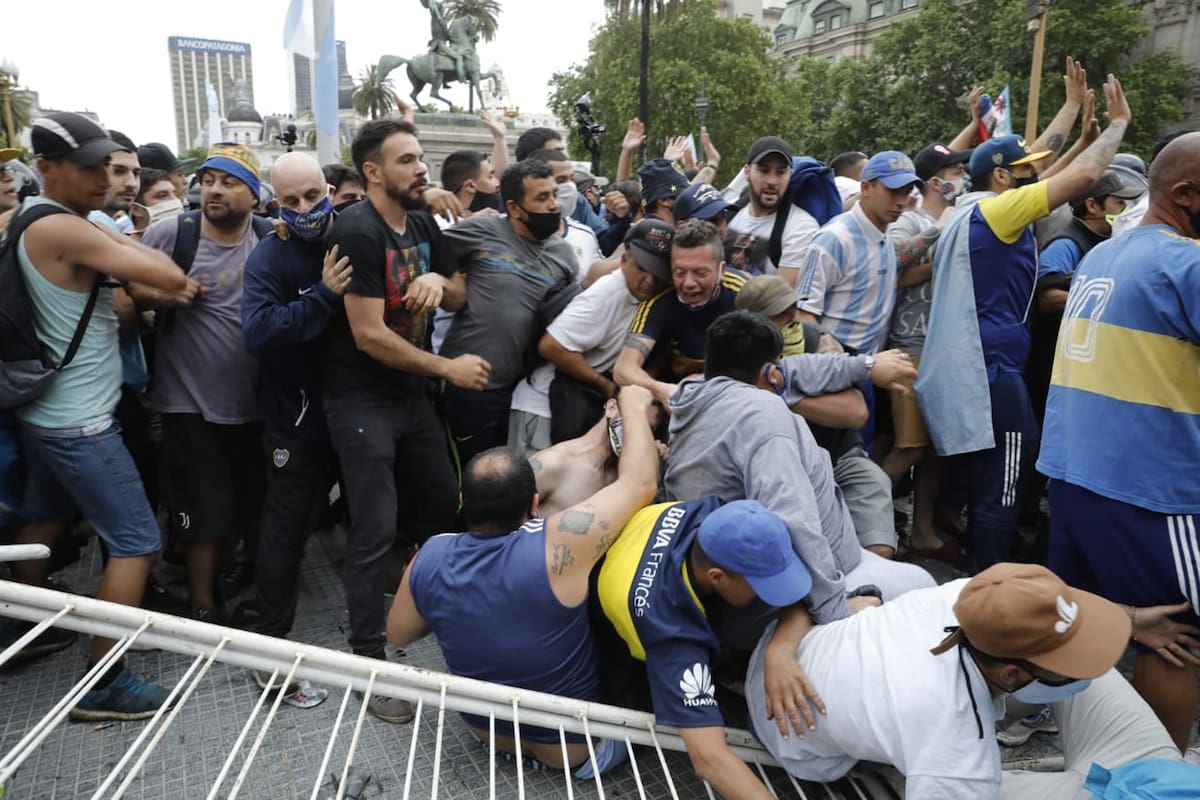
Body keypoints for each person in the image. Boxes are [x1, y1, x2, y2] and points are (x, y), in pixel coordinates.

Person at [6, 112, 188, 719]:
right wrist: (125, 240)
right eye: (86, 166)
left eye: (103, 163)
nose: (101, 176)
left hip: (43, 412)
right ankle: (103, 680)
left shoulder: (35, 219)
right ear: (46, 168)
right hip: (80, 423)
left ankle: (21, 626)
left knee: (43, 521)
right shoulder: (63, 227)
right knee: (135, 542)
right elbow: (169, 275)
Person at [916, 74, 1133, 574]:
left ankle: (979, 575)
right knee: (1005, 484)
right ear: (1001, 179)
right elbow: (1077, 180)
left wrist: (1075, 111)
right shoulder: (1001, 213)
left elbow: (1039, 158)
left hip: (976, 370)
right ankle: (993, 585)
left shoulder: (972, 208)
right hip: (993, 370)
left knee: (989, 480)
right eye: (1025, 172)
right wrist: (1116, 126)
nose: (1037, 175)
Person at [386, 386, 659, 778]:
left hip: (486, 737)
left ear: (463, 499)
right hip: (579, 756)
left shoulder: (430, 555)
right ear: (534, 506)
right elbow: (640, 484)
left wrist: (462, 603)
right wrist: (632, 403)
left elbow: (398, 634)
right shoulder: (560, 543)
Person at [746, 562, 1187, 798]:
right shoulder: (958, 760)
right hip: (801, 746)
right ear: (1012, 674)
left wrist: (1125, 621)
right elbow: (952, 764)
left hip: (787, 653)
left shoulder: (976, 595)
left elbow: (1052, 607)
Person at [1037, 131, 1200, 752]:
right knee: (1178, 637)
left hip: (1076, 475)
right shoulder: (1185, 264)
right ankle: (1160, 783)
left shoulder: (1106, 252)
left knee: (1088, 638)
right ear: (1185, 195)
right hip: (1150, 488)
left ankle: (1097, 768)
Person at [321, 119, 487, 722]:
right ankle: (370, 663)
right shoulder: (358, 232)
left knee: (445, 504)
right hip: (361, 401)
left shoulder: (419, 223)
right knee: (373, 529)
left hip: (412, 398)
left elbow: (462, 290)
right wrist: (447, 368)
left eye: (421, 158)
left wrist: (440, 278)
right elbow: (368, 337)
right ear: (372, 172)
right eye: (408, 160)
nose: (422, 169)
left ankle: (429, 607)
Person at [667, 311, 935, 632]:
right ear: (770, 371)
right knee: (923, 587)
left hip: (726, 571)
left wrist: (864, 366)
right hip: (780, 589)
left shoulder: (697, 390)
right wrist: (837, 613)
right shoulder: (763, 415)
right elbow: (793, 517)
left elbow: (798, 370)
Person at [594, 497, 815, 799]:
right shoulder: (674, 635)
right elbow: (710, 760)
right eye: (762, 585)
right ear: (717, 578)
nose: (772, 594)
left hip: (632, 556)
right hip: (616, 648)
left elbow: (805, 597)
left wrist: (781, 649)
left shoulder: (716, 514)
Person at [137, 141, 270, 621]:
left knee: (247, 501)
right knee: (198, 511)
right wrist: (166, 295)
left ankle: (239, 573)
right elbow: (131, 289)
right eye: (209, 180)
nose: (215, 190)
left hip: (256, 403)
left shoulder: (270, 236)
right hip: (188, 402)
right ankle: (202, 604)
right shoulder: (174, 232)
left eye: (230, 182)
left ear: (255, 195)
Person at [242, 152, 351, 682]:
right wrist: (323, 297)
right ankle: (272, 636)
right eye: (290, 202)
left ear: (329, 188)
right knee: (285, 522)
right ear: (275, 204)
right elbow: (259, 332)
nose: (305, 209)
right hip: (295, 416)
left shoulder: (356, 232)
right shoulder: (269, 256)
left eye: (312, 196)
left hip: (357, 408)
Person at [736, 275, 907, 557]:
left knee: (874, 488)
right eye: (780, 313)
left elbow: (855, 412)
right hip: (776, 465)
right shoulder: (736, 354)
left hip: (838, 454)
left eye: (793, 307)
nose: (793, 317)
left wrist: (782, 395)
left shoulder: (820, 340)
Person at [439, 159, 578, 464]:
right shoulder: (482, 230)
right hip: (468, 386)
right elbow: (430, 252)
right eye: (542, 198)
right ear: (515, 208)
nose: (554, 205)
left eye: (554, 194)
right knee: (469, 476)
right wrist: (450, 278)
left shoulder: (565, 257)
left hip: (522, 393)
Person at [877, 142, 972, 557]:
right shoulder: (908, 220)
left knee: (934, 449)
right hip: (908, 346)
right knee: (909, 446)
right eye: (957, 173)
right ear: (937, 183)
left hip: (944, 348)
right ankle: (859, 525)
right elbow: (894, 261)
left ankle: (922, 531)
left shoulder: (963, 219)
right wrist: (938, 232)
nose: (964, 179)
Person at [538, 218, 673, 442]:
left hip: (591, 399)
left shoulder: (654, 298)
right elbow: (551, 346)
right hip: (547, 404)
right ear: (623, 260)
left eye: (659, 273)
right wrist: (604, 385)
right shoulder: (605, 295)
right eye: (642, 268)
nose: (649, 280)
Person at [1025, 168, 1143, 424]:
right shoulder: (1065, 245)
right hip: (1053, 366)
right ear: (1092, 205)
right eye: (1119, 202)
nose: (1126, 209)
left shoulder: (1108, 241)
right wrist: (1104, 296)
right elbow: (1047, 299)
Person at [796, 150, 919, 355]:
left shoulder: (884, 236)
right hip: (836, 370)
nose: (901, 201)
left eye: (907, 192)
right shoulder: (833, 239)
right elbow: (803, 313)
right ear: (865, 187)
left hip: (872, 367)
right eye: (893, 190)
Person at [614, 219, 746, 405]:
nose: (689, 283)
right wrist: (663, 390)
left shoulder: (744, 294)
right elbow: (623, 369)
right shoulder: (659, 302)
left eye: (700, 273)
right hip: (679, 395)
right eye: (679, 272)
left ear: (721, 270)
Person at [529, 393, 664, 517]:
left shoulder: (628, 479)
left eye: (647, 429)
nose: (637, 432)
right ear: (611, 408)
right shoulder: (554, 462)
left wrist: (654, 463)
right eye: (633, 420)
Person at [727, 137, 819, 283]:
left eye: (780, 173)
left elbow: (783, 297)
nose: (772, 181)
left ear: (790, 174)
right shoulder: (727, 213)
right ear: (747, 172)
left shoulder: (801, 227)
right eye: (764, 171)